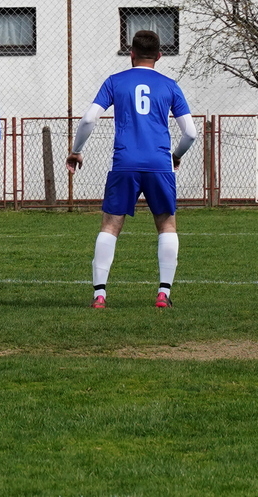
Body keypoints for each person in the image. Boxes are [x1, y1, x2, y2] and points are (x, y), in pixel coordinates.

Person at [65, 30, 197, 310]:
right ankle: (163, 293)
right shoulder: (170, 85)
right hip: (159, 164)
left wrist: (77, 150)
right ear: (159, 56)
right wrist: (176, 155)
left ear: (131, 54)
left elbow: (89, 118)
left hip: (125, 163)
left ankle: (100, 294)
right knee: (166, 224)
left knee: (111, 225)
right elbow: (191, 134)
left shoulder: (115, 82)